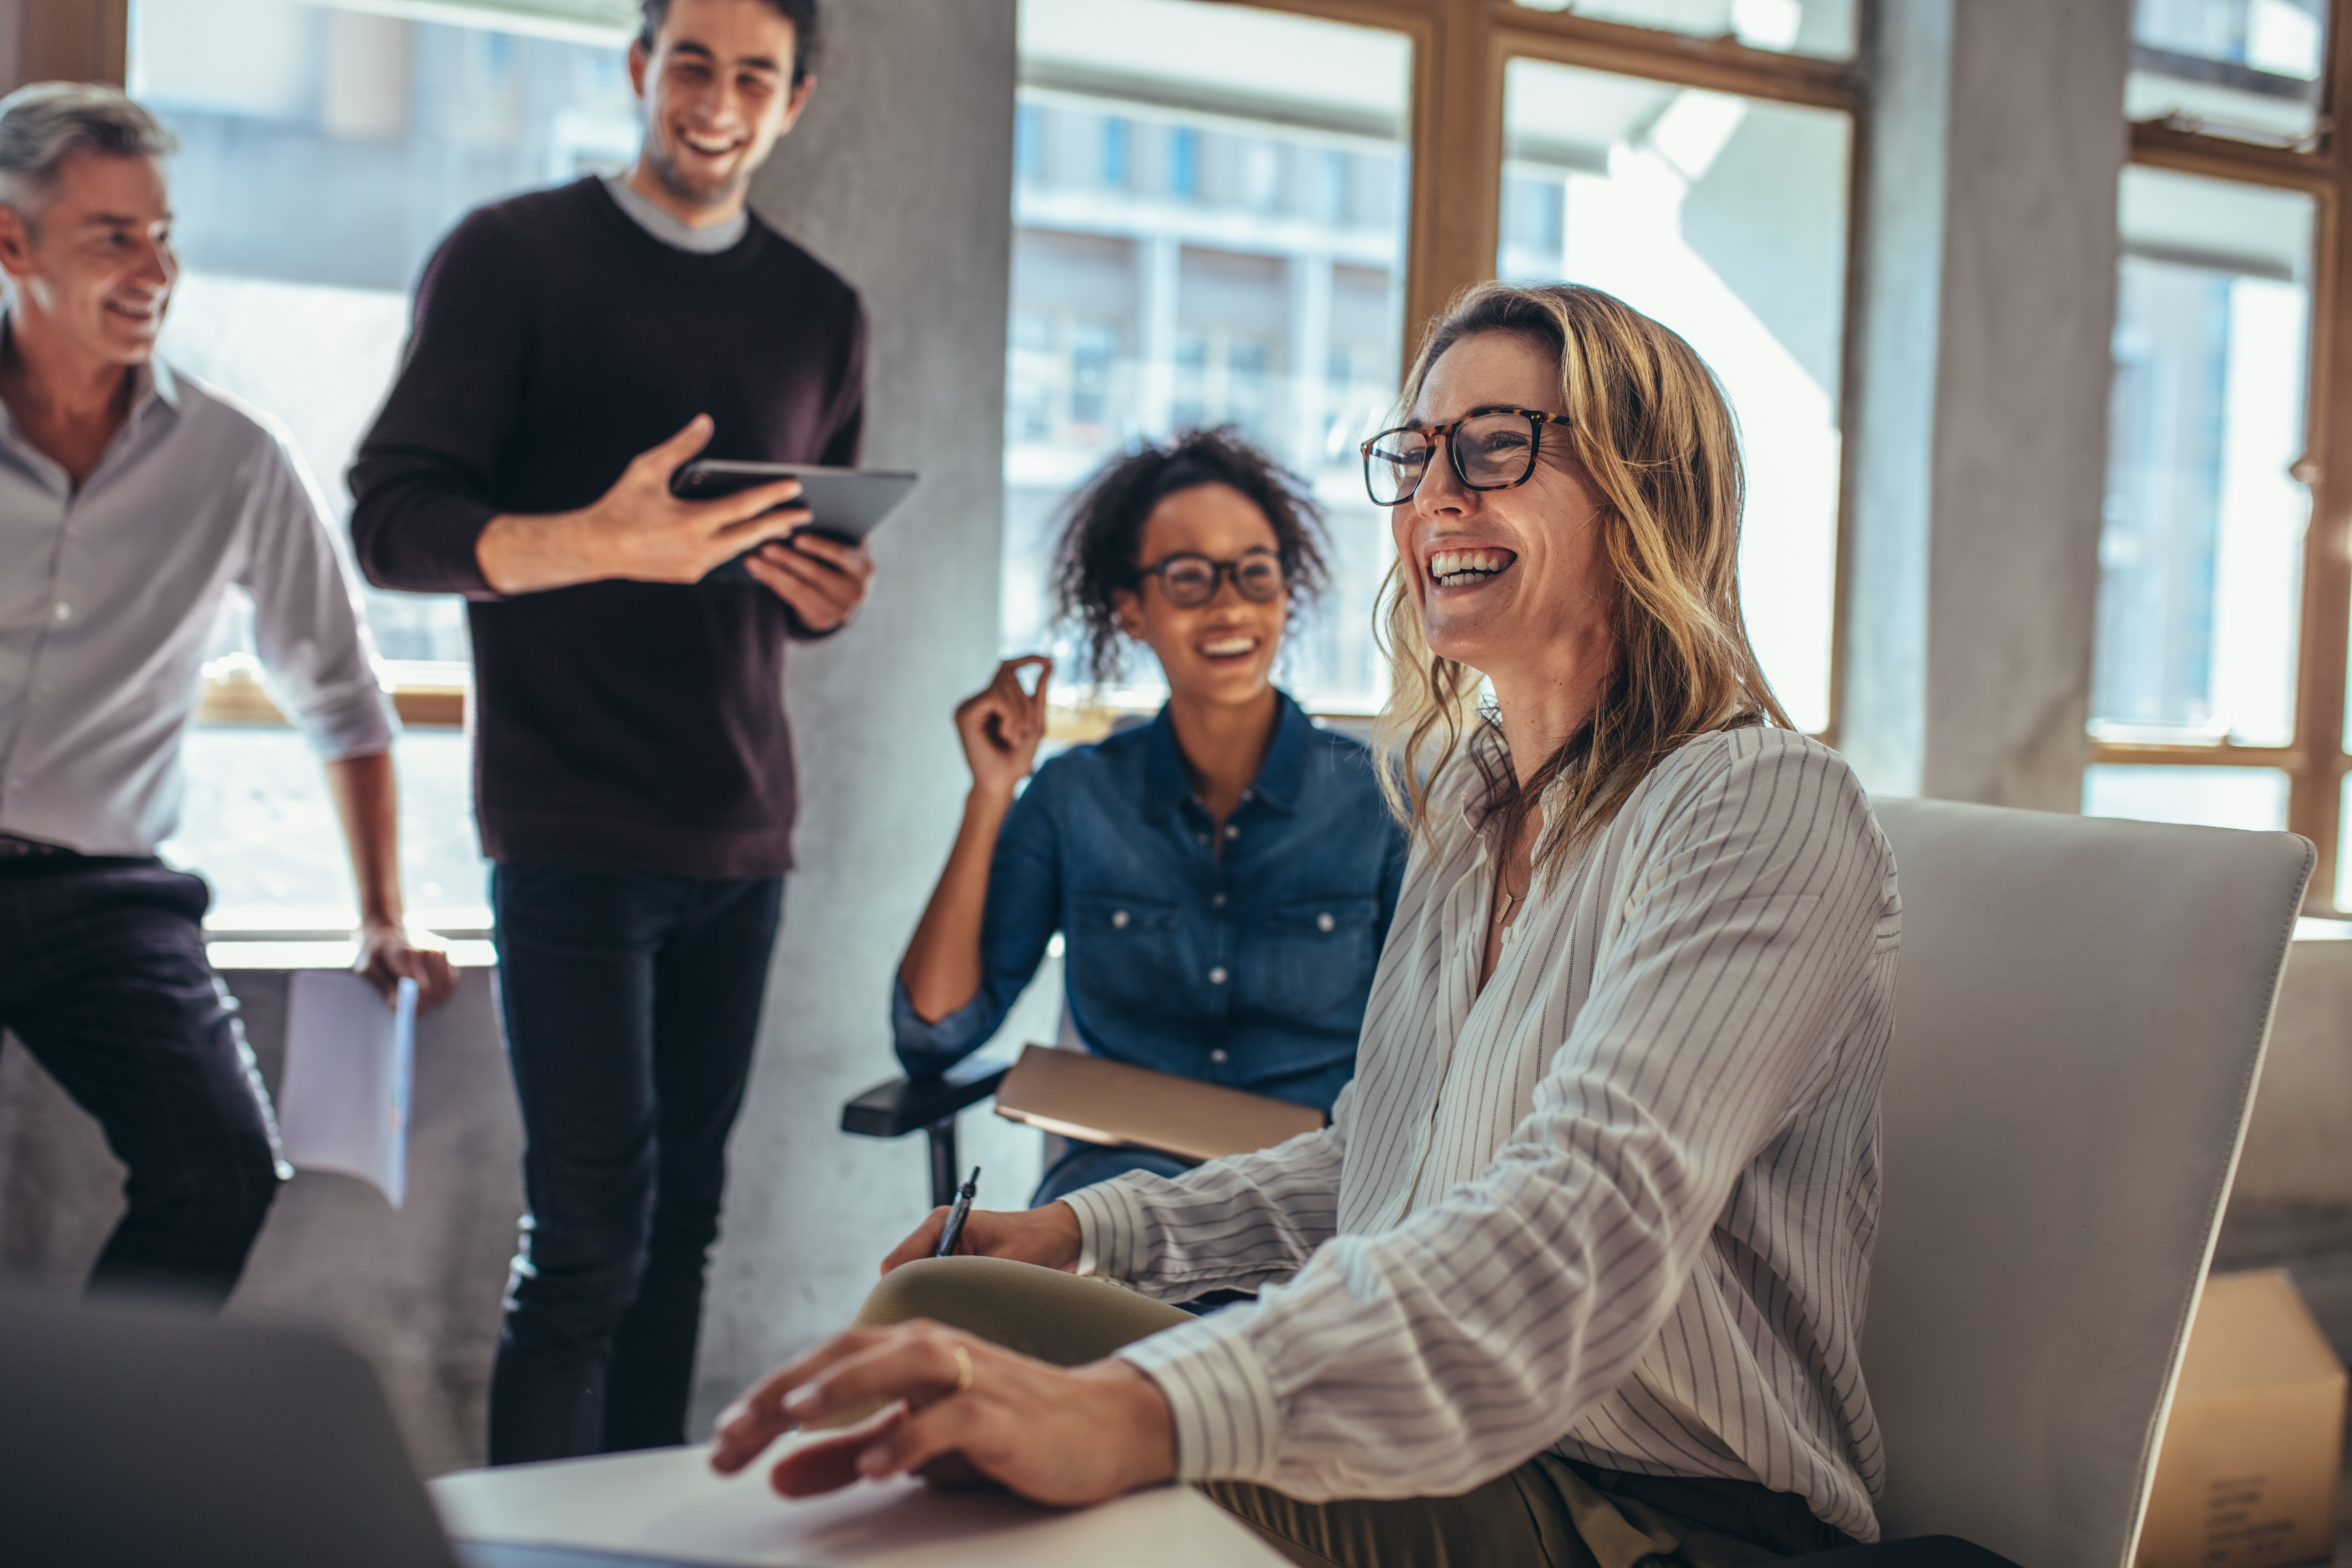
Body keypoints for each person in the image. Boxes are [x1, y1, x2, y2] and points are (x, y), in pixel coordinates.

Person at [711, 282, 1903, 1568]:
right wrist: (1088, 1229)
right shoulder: (1469, 799)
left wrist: (1141, 1407)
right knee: (945, 1304)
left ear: (1646, 486)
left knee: (1014, 1421)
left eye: (1496, 444)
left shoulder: (1759, 801)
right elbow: (1377, 1162)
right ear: (1132, 609)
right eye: (1418, 453)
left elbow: (1574, 1225)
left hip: (1650, 1507)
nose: (1437, 494)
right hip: (1449, 1427)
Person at [348, 0, 873, 1465]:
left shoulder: (824, 311)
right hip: (568, 821)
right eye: (690, 61)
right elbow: (393, 522)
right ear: (641, 69)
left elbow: (795, 561)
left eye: (753, 75)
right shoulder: (511, 257)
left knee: (682, 1237)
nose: (716, 98)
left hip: (743, 824)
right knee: (587, 1242)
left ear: (795, 103)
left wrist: (829, 593)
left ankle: (643, 1542)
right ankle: (537, 1547)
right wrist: (597, 541)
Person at [0, 84, 453, 1308]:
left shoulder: (235, 459)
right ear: (11, 242)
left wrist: (384, 914)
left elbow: (344, 699)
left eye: (163, 233)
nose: (156, 268)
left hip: (106, 893)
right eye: (114, 237)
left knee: (220, 1171)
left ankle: (85, 1456)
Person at [894, 430, 1408, 1206]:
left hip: (1316, 1205)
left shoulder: (1382, 802)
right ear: (1130, 610)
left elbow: (1445, 1053)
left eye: (1255, 574)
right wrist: (992, 793)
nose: (1231, 603)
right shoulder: (1075, 798)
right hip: (1113, 1200)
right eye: (1190, 578)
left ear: (1286, 594)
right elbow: (934, 1033)